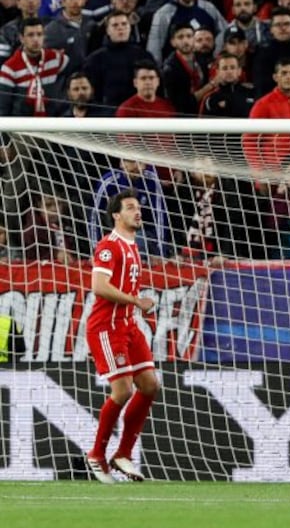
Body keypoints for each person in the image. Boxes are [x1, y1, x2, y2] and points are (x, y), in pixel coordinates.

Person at [85, 190, 159, 485]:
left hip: (128, 326)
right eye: (130, 208)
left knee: (150, 385)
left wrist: (134, 305)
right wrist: (135, 300)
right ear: (116, 215)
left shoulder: (134, 246)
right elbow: (99, 286)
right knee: (123, 391)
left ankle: (123, 453)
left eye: (138, 208)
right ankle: (96, 454)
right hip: (106, 327)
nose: (137, 212)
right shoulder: (108, 246)